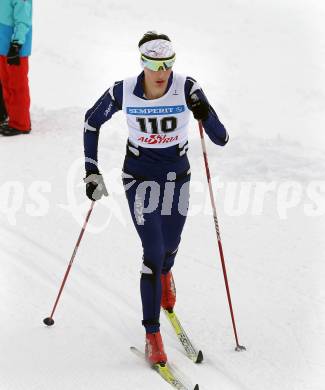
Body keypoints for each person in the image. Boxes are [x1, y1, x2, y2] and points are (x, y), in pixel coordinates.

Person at [83, 31, 229, 365]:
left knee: (171, 245)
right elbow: (91, 123)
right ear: (143, 64)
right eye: (154, 64)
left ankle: (166, 273)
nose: (161, 72)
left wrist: (204, 112)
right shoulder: (122, 91)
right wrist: (91, 170)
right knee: (152, 250)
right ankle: (153, 335)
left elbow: (221, 138)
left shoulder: (187, 87)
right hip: (139, 179)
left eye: (167, 64)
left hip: (177, 179)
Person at [0, 0, 32, 136]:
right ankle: (13, 118)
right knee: (6, 84)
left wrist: (16, 44)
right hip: (2, 46)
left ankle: (21, 124)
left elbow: (23, 20)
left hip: (15, 49)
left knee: (17, 86)